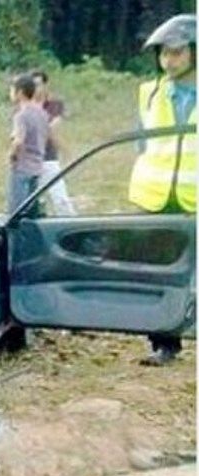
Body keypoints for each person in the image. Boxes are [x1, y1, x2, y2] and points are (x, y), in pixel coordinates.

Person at [128, 14, 196, 366]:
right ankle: (164, 344)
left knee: (191, 274)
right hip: (154, 198)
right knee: (158, 274)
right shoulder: (149, 93)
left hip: (193, 201)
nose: (168, 60)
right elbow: (141, 143)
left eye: (176, 53)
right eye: (163, 54)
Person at [31, 71, 76, 216]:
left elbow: (51, 128)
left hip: (49, 157)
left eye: (38, 84)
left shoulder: (54, 105)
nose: (36, 88)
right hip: (31, 158)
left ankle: (70, 222)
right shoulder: (26, 106)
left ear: (45, 85)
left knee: (60, 197)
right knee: (34, 201)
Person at [6, 74, 49, 217]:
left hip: (22, 167)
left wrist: (11, 155)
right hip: (37, 167)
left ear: (19, 93)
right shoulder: (42, 114)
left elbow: (19, 140)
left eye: (12, 90)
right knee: (32, 211)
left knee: (16, 212)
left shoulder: (21, 116)